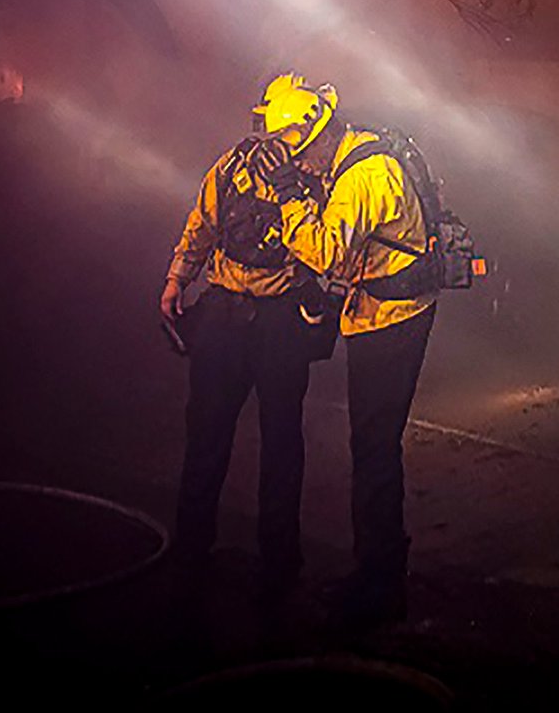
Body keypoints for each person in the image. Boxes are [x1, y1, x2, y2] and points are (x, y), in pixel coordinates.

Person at [248, 73, 438, 627]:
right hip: (388, 308)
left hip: (390, 319)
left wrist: (289, 201)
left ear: (316, 136)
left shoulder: (361, 177)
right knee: (374, 446)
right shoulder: (364, 153)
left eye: (294, 154)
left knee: (374, 449)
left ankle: (380, 586)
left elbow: (327, 253)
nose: (296, 165)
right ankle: (376, 573)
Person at [159, 80, 337, 601]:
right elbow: (203, 223)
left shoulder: (314, 179)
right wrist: (177, 279)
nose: (289, 140)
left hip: (281, 320)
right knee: (207, 434)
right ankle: (191, 551)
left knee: (282, 440)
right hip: (223, 315)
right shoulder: (230, 168)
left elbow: (329, 246)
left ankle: (280, 562)